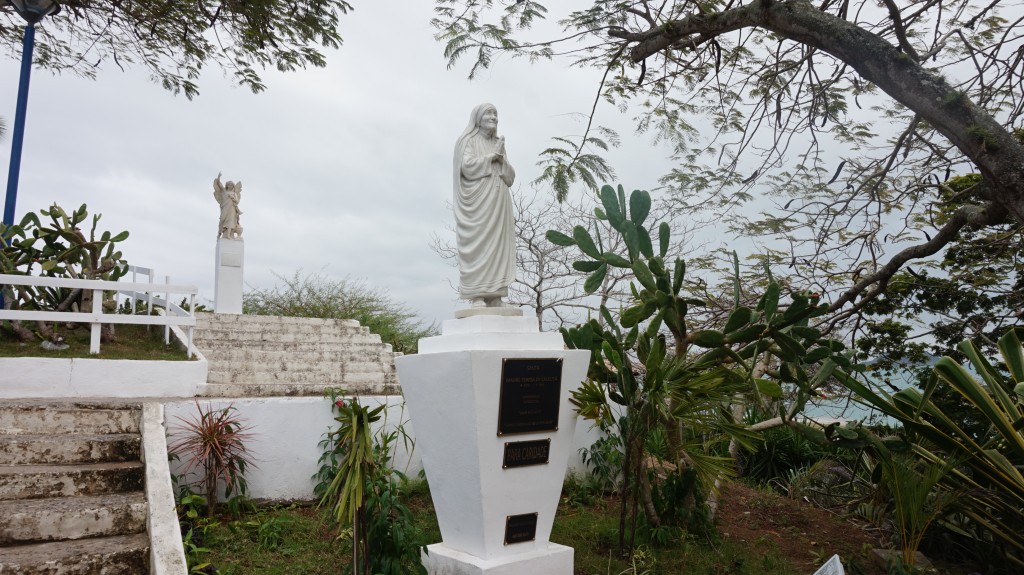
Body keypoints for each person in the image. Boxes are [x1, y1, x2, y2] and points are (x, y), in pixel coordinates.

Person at [453, 103, 516, 308]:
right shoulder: (468, 140)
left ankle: (496, 296)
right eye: (489, 113)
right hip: (478, 204)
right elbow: (467, 167)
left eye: (496, 113)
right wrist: (492, 157)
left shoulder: (498, 142)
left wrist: (501, 159)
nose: (494, 117)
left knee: (498, 245)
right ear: (478, 118)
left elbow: (510, 176)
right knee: (480, 245)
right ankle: (477, 295)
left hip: (498, 201)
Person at [213, 172, 243, 239]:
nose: (230, 186)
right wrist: (219, 177)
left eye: (231, 185)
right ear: (227, 185)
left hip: (232, 208)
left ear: (233, 186)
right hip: (225, 208)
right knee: (222, 220)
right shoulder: (224, 191)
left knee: (230, 221)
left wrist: (232, 198)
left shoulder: (234, 193)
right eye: (229, 185)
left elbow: (237, 201)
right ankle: (219, 233)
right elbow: (219, 185)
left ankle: (229, 235)